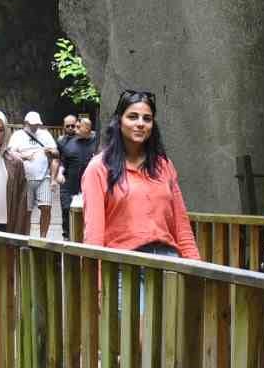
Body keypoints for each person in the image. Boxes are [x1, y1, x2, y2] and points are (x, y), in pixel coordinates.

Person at [81, 90, 199, 260]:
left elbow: (181, 224)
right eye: (133, 117)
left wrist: (194, 264)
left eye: (147, 119)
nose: (140, 123)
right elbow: (94, 232)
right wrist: (95, 273)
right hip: (124, 263)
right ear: (119, 121)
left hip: (168, 260)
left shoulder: (163, 165)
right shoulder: (99, 168)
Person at [9, 111, 60, 237]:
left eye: (37, 124)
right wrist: (23, 156)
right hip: (25, 178)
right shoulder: (18, 135)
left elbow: (56, 154)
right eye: (32, 124)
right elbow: (10, 154)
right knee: (26, 211)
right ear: (26, 123)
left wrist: (50, 151)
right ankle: (26, 237)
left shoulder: (45, 134)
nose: (34, 126)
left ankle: (43, 238)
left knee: (46, 207)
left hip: (44, 177)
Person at [55, 113, 96, 241]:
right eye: (73, 126)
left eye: (78, 127)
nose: (74, 129)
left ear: (87, 129)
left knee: (87, 213)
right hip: (69, 185)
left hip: (88, 186)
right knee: (66, 210)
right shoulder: (66, 142)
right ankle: (67, 237)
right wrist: (59, 173)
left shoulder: (96, 142)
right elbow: (62, 162)